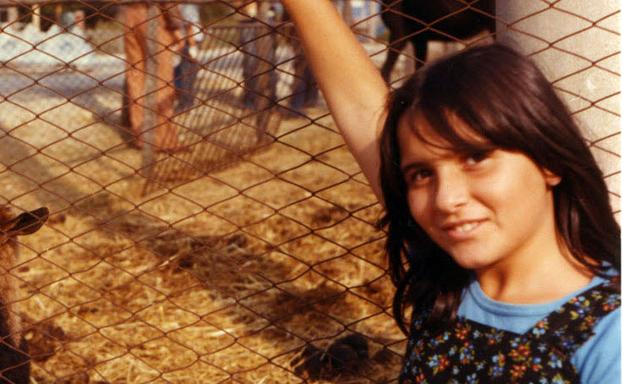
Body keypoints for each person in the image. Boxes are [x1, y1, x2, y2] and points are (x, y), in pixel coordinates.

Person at [279, 1, 621, 383]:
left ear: (549, 160)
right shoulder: (446, 275)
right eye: (422, 173)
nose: (445, 199)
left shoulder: (608, 336)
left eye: (476, 157)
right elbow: (361, 109)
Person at [122, 2, 185, 153]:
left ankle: (142, 137)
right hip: (154, 14)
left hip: (128, 13)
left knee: (136, 74)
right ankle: (164, 139)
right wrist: (175, 28)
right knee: (161, 78)